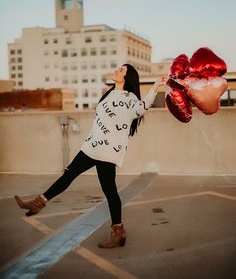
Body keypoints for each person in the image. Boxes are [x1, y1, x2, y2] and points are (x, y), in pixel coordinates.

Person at [15, 64, 167, 248]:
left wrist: (155, 87)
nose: (117, 70)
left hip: (107, 150)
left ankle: (118, 231)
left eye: (121, 69)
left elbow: (140, 109)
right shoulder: (109, 93)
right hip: (91, 146)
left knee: (109, 191)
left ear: (127, 76)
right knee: (69, 174)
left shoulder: (130, 97)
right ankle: (38, 203)